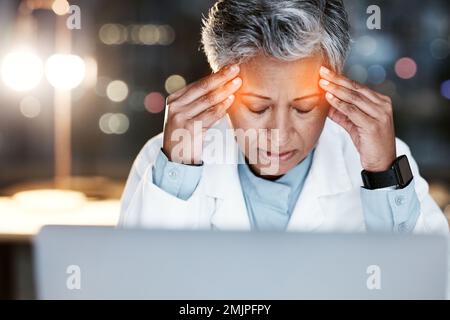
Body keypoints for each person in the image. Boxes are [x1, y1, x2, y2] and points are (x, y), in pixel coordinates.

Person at [119, 0, 448, 234]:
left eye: (304, 107)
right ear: (221, 89)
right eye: (257, 108)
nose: (279, 132)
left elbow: (427, 284)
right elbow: (140, 283)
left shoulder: (382, 159)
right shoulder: (163, 160)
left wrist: (384, 178)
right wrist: (177, 171)